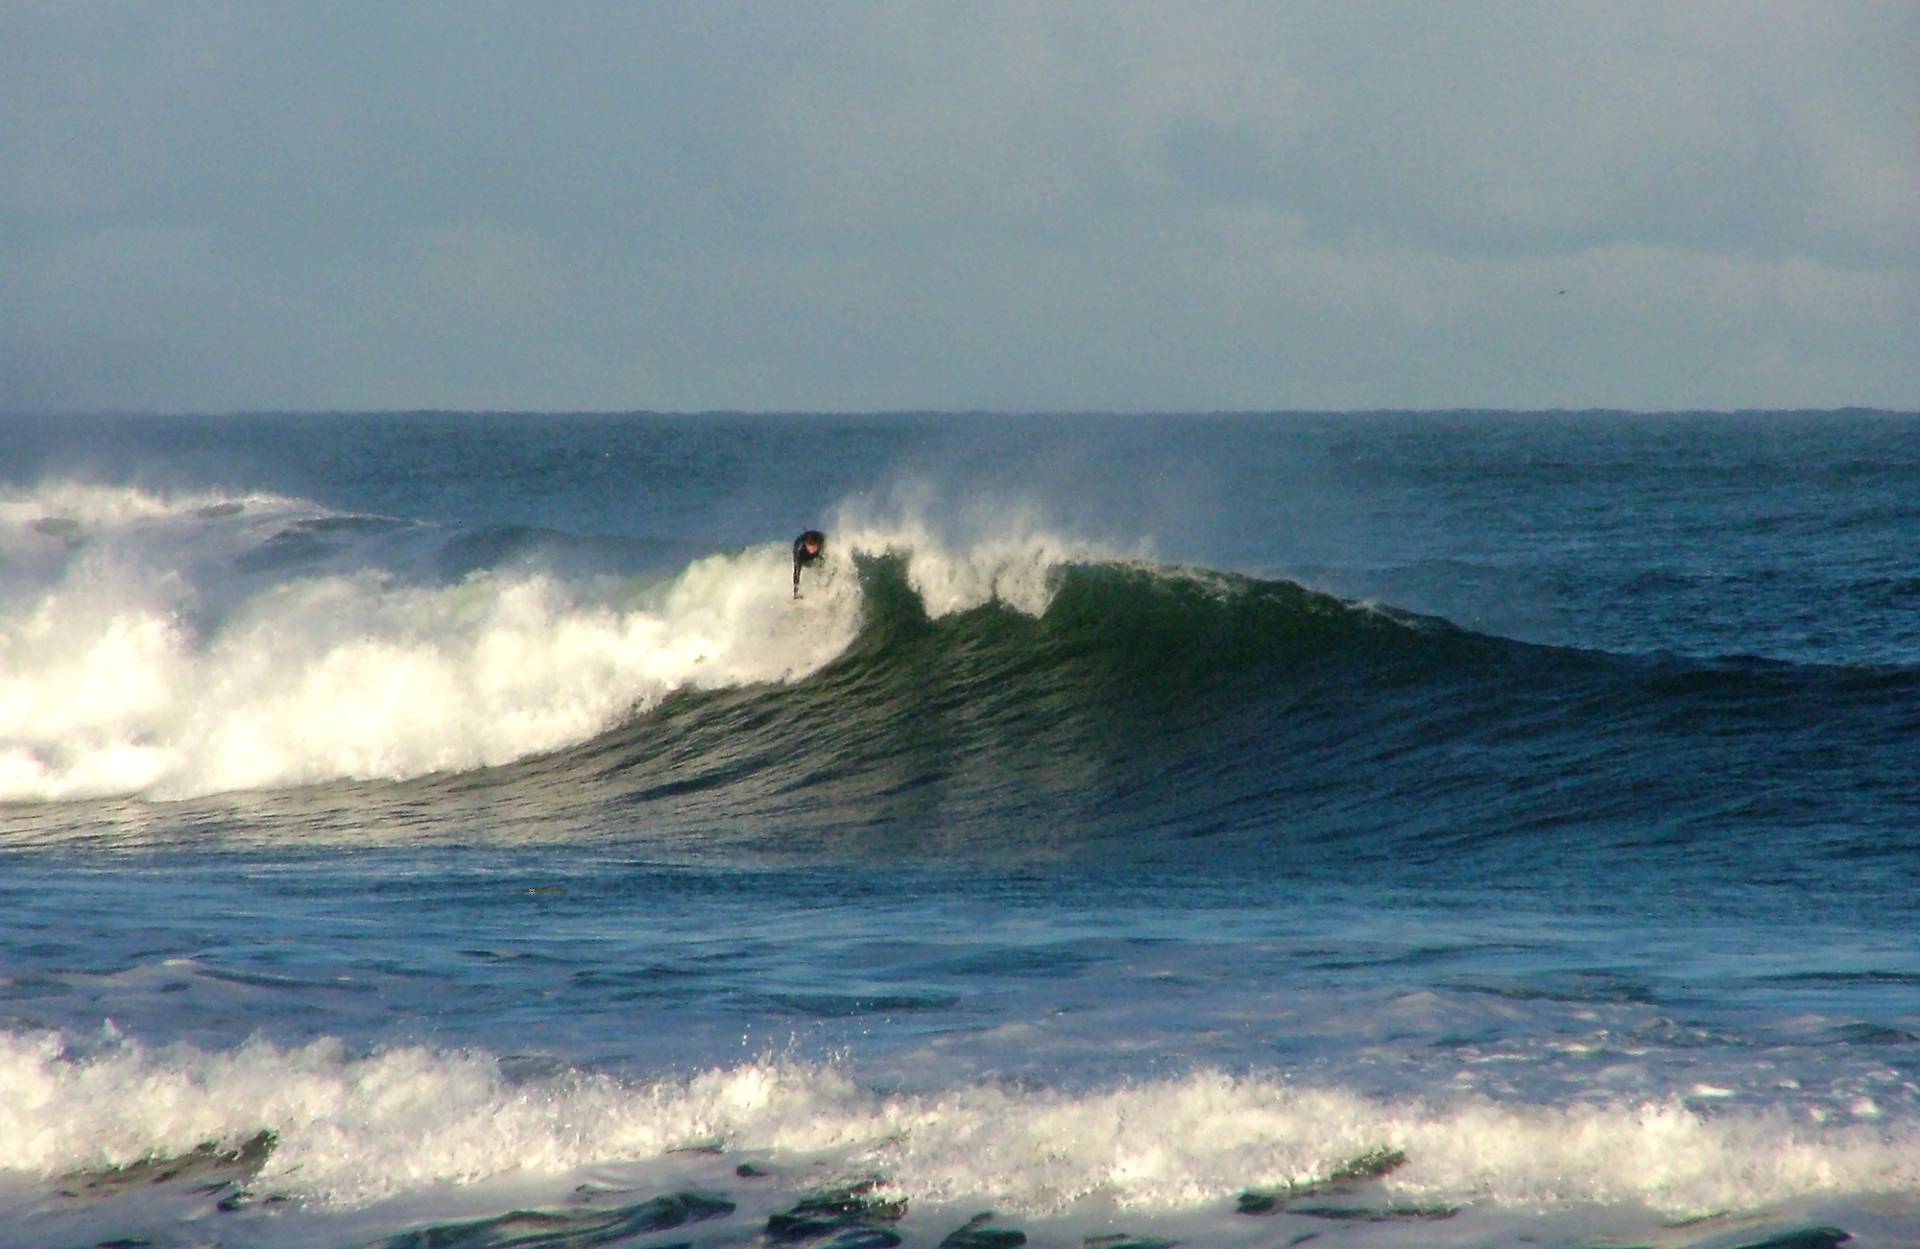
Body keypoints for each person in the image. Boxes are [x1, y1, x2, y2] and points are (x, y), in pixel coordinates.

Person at [792, 530, 825, 598]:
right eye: (811, 547)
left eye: (814, 547)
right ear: (806, 545)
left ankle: (823, 587)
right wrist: (795, 593)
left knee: (822, 564)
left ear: (818, 545)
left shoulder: (822, 545)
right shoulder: (799, 550)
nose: (812, 549)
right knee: (801, 565)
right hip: (801, 548)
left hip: (819, 537)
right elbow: (796, 573)